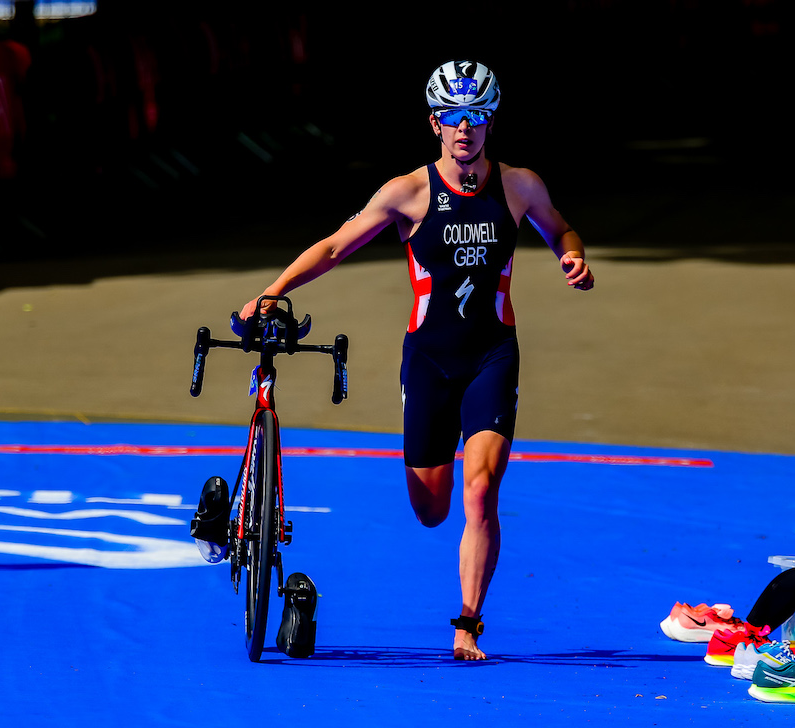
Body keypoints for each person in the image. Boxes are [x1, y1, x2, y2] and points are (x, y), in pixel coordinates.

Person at [237, 60, 594, 660]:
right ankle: (439, 485)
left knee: (482, 491)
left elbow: (560, 228)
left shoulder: (520, 185)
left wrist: (572, 256)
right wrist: (274, 292)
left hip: (491, 355)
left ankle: (467, 624)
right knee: (432, 508)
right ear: (435, 124)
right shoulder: (407, 193)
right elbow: (333, 246)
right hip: (429, 361)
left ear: (490, 122)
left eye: (476, 116)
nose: (465, 128)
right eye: (453, 117)